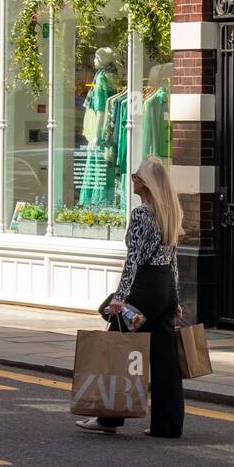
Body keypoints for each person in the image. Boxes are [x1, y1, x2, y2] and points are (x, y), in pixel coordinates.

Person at [77, 157, 186, 438]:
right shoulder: (169, 212)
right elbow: (172, 259)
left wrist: (120, 298)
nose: (133, 178)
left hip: (145, 286)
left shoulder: (142, 214)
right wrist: (175, 300)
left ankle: (108, 419)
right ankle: (168, 425)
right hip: (164, 288)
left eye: (137, 175)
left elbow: (133, 260)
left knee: (117, 347)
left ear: (146, 183)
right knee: (165, 360)